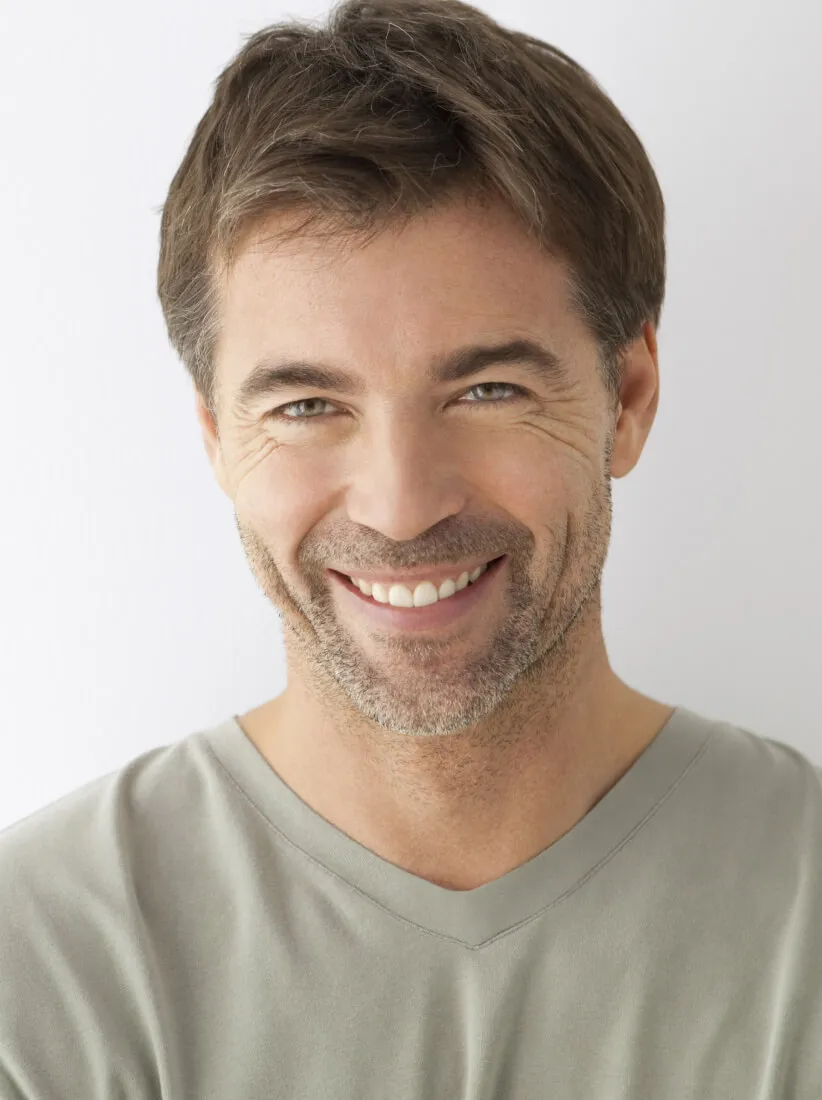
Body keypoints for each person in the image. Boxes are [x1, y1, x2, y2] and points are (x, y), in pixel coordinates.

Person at [2, 0, 821, 1096]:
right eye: (304, 404)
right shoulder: (40, 961)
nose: (398, 506)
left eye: (487, 389)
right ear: (215, 435)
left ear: (628, 395)